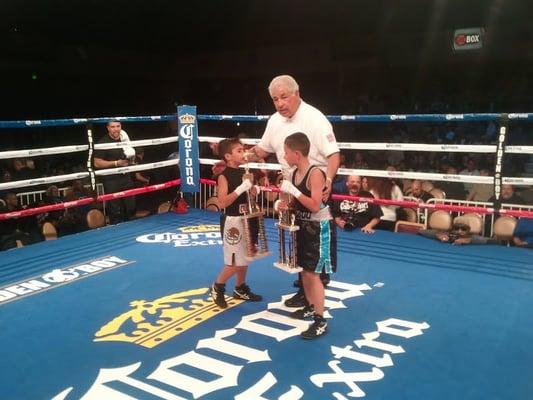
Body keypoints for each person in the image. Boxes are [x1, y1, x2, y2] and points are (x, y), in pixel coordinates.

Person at [246, 74, 340, 306]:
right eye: (275, 99)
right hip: (289, 185)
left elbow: (333, 154)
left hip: (313, 183)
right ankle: (306, 290)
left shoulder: (315, 118)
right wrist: (237, 158)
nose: (279, 104)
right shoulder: (274, 121)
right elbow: (262, 149)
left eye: (284, 97)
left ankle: (315, 293)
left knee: (314, 237)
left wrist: (328, 178)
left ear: (297, 93)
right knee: (297, 237)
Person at [278, 132, 336, 339]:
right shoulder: (294, 174)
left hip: (319, 228)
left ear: (296, 153)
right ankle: (311, 307)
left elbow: (314, 204)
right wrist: (284, 204)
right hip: (303, 226)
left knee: (314, 274)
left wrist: (293, 192)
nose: (284, 156)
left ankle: (321, 321)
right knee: (304, 271)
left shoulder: (316, 174)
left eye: (286, 152)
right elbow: (298, 203)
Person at [210, 138, 262, 309]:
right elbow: (223, 202)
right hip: (232, 222)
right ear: (228, 156)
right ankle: (217, 286)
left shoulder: (245, 172)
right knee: (234, 261)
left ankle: (239, 287)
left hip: (247, 218)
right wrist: (240, 188)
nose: (243, 153)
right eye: (239, 150)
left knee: (246, 256)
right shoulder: (223, 176)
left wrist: (254, 191)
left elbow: (248, 197)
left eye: (243, 150)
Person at [93, 120, 136, 224]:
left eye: (118, 126)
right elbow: (97, 163)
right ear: (108, 128)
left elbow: (129, 156)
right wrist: (116, 163)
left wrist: (131, 162)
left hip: (126, 176)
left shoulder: (124, 139)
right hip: (111, 179)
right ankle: (117, 235)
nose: (116, 129)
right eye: (113, 127)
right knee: (115, 209)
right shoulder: (102, 143)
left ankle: (133, 231)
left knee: (131, 207)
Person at [418, 221, 498, 245]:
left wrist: (467, 240)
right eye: (456, 228)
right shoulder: (448, 235)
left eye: (463, 229)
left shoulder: (473, 238)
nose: (459, 231)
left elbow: (489, 241)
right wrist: (438, 236)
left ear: (468, 230)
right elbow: (421, 231)